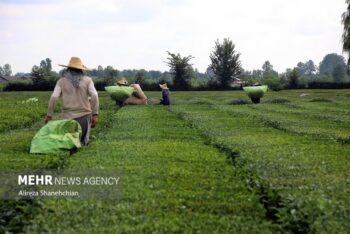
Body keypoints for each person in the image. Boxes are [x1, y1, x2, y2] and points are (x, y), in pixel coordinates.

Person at [44, 57, 99, 145]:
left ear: (68, 69)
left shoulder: (61, 81)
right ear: (81, 70)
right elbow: (95, 95)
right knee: (83, 143)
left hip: (67, 117)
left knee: (69, 143)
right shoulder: (88, 80)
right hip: (84, 117)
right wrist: (95, 114)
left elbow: (54, 97)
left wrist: (49, 115)